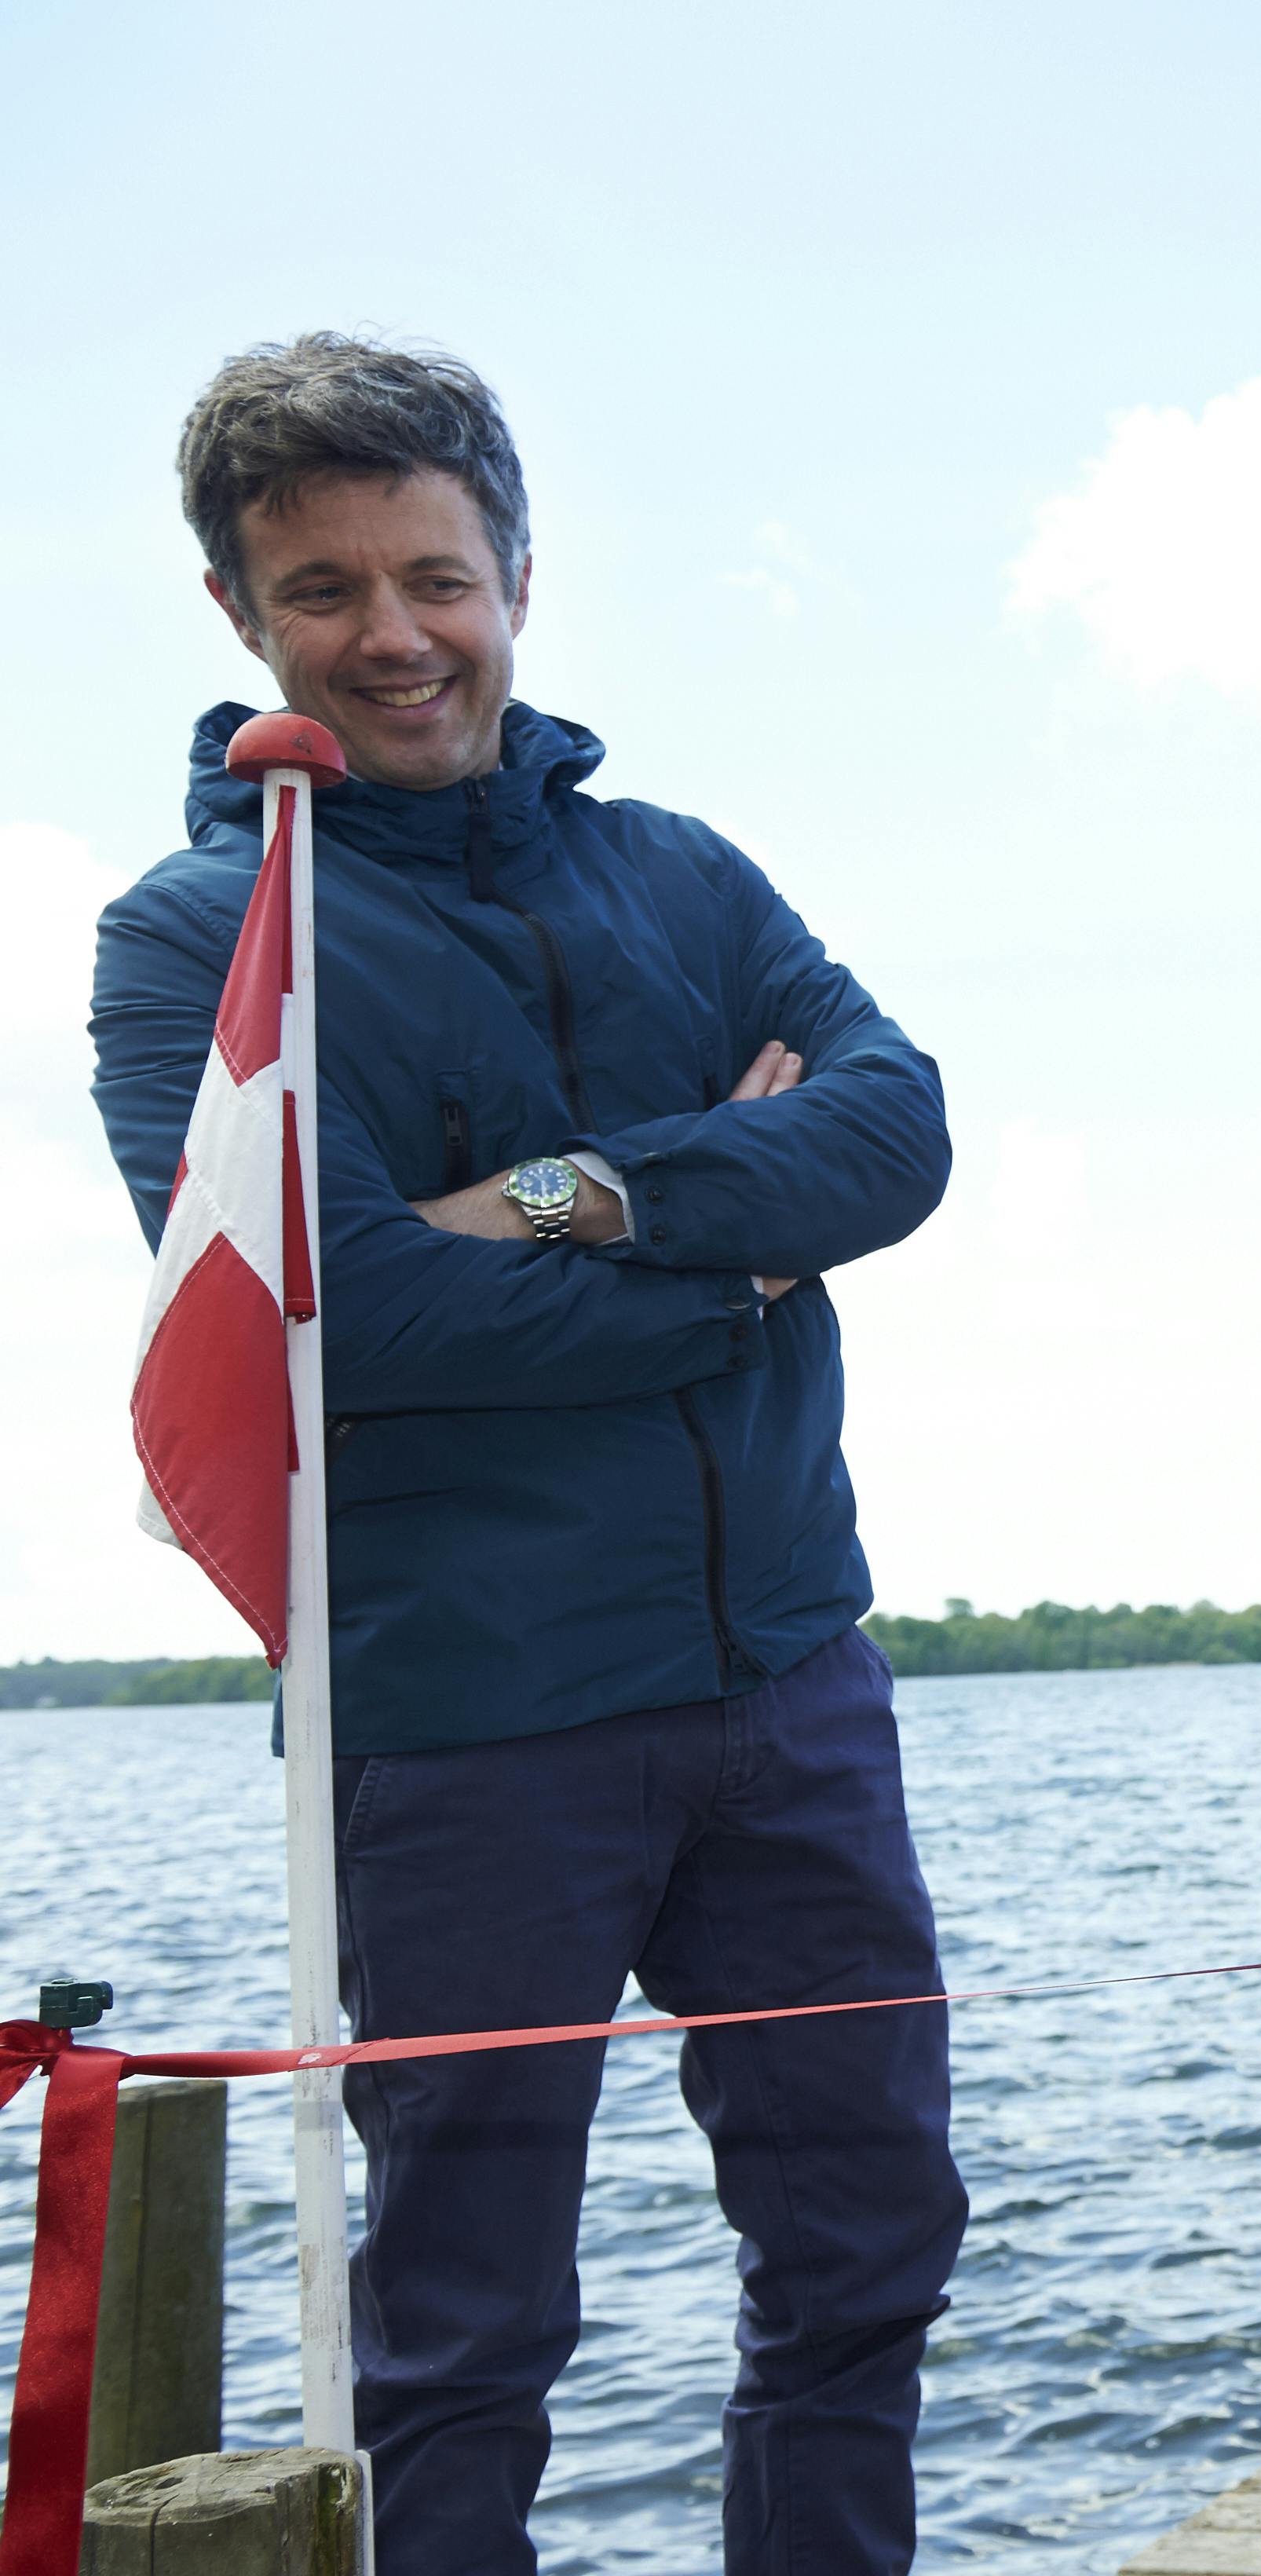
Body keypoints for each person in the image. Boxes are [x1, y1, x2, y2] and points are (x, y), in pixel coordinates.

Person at [88, 335, 962, 2576]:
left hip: (793, 1691)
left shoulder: (683, 871)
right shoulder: (199, 947)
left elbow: (893, 1135)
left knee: (867, 2257)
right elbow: (355, 1319)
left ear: (520, 578)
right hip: (463, 1734)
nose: (391, 634)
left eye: (433, 575)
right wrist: (730, 1237)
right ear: (237, 616)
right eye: (321, 589)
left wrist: (569, 1196)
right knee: (467, 2337)